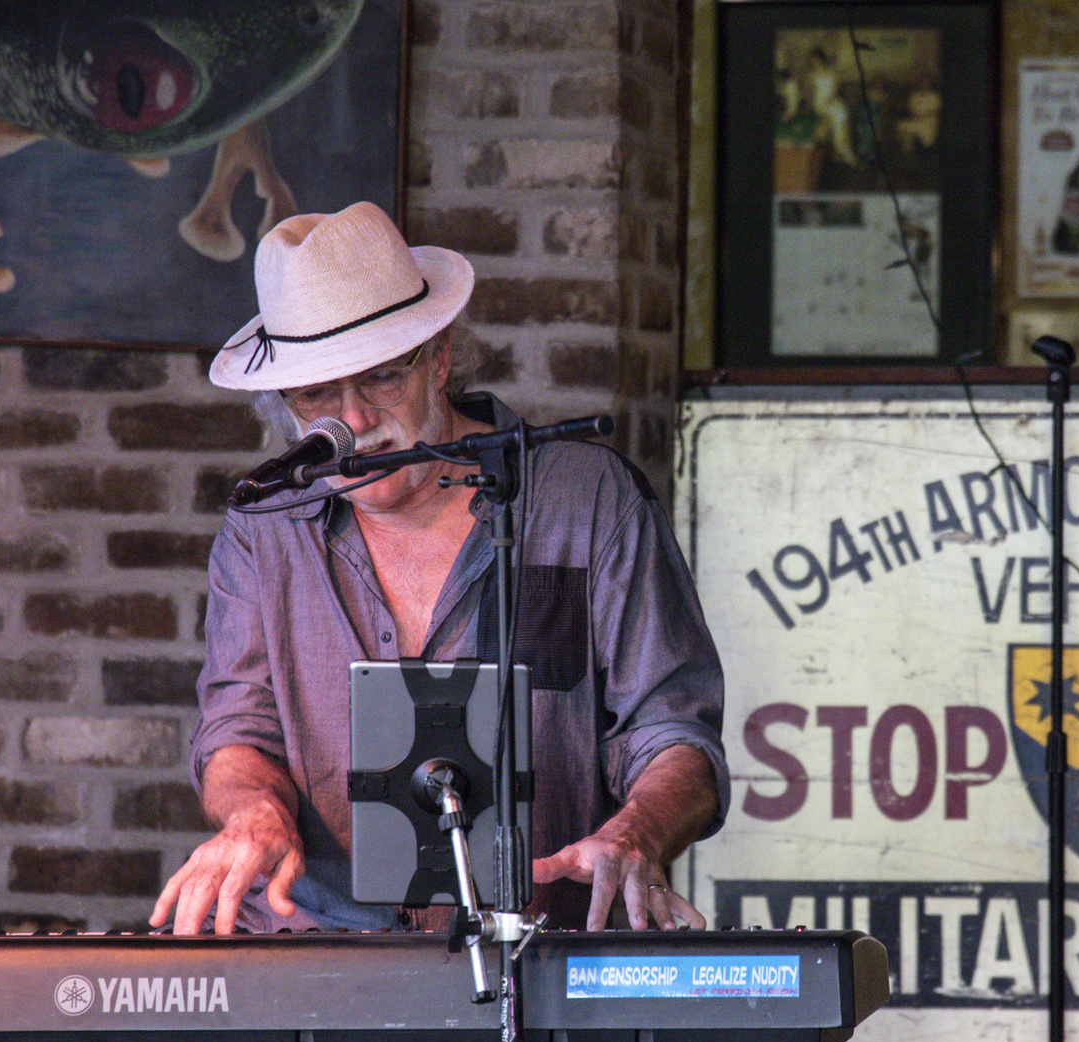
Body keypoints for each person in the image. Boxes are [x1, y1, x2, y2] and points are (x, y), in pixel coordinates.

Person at [148, 201, 728, 935]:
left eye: (382, 379)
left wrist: (635, 832)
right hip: (317, 945)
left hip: (537, 947)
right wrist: (254, 811)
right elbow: (239, 728)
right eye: (317, 394)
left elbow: (674, 729)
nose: (352, 422)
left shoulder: (583, 500)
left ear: (440, 357)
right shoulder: (264, 528)